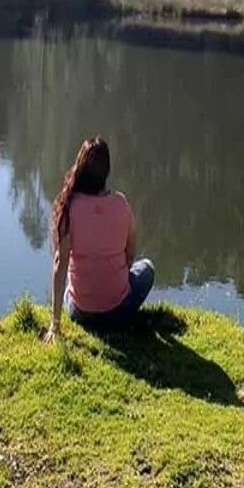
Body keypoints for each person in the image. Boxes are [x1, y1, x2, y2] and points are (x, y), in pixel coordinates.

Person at [44, 137, 154, 342]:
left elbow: (60, 263)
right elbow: (131, 253)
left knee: (70, 282)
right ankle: (111, 294)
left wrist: (55, 325)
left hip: (80, 313)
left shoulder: (69, 208)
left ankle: (88, 297)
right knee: (147, 268)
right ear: (106, 171)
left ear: (80, 166)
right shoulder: (122, 204)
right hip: (119, 310)